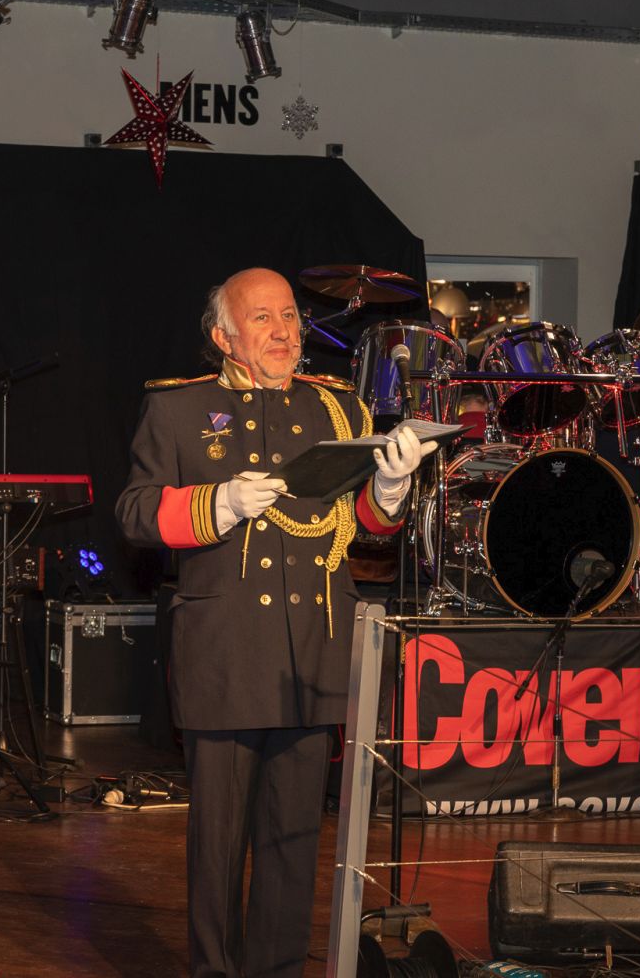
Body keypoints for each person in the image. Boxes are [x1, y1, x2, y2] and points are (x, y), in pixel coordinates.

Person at [115, 267, 437, 978]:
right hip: (227, 651)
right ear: (224, 337)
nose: (283, 331)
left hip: (311, 650)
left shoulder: (338, 408)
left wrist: (390, 487)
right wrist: (219, 504)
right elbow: (135, 512)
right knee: (219, 843)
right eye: (262, 318)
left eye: (289, 315)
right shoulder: (178, 408)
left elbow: (362, 524)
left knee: (294, 841)